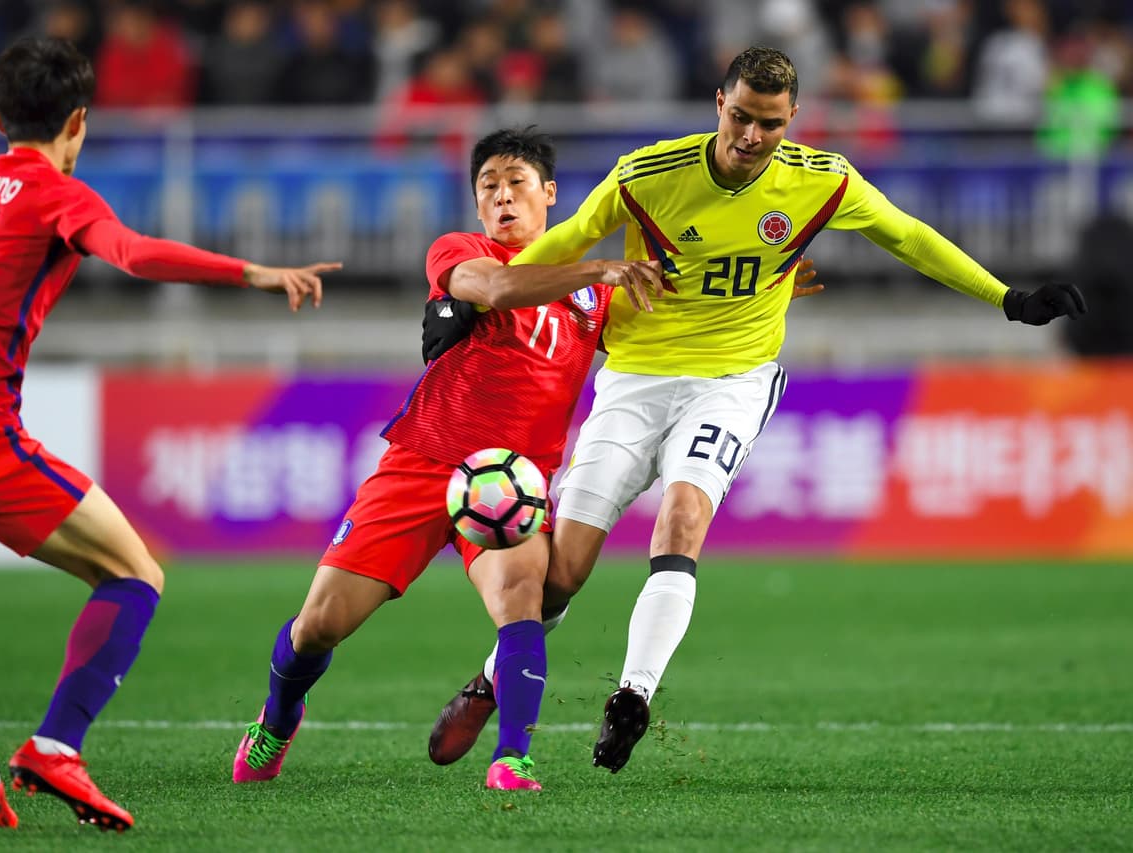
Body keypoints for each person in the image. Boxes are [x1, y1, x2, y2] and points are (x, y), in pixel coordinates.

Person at [430, 44, 1086, 775]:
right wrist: (467, 300)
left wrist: (1008, 297)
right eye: (740, 117)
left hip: (733, 382)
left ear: (792, 119)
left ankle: (632, 696)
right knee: (563, 572)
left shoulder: (821, 181)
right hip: (635, 378)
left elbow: (908, 236)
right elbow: (564, 241)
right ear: (718, 103)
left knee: (684, 517)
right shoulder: (649, 174)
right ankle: (493, 677)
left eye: (768, 124)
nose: (750, 137)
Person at [0, 37, 340, 832]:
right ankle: (55, 746)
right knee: (134, 573)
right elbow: (134, 253)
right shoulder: (53, 191)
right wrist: (252, 273)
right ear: (78, 120)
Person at [230, 126, 670, 793]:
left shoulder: (597, 299)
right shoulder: (461, 251)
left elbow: (669, 323)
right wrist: (599, 265)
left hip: (512, 482)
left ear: (550, 193)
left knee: (522, 602)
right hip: (421, 463)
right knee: (320, 622)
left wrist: (757, 293)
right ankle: (279, 719)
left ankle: (513, 758)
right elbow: (491, 289)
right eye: (487, 185)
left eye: (516, 182)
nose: (501, 196)